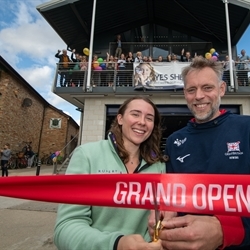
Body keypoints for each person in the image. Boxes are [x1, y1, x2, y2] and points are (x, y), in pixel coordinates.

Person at [148, 57, 250, 249]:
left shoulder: (246, 128)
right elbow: (172, 196)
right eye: (191, 90)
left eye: (207, 88)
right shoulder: (174, 141)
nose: (199, 96)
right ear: (184, 93)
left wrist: (226, 230)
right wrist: (165, 212)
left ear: (221, 89)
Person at [54, 96, 167, 250]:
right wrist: (116, 244)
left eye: (149, 118)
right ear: (120, 119)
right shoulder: (87, 155)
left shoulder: (159, 165)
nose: (142, 121)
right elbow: (66, 228)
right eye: (135, 114)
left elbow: (161, 217)